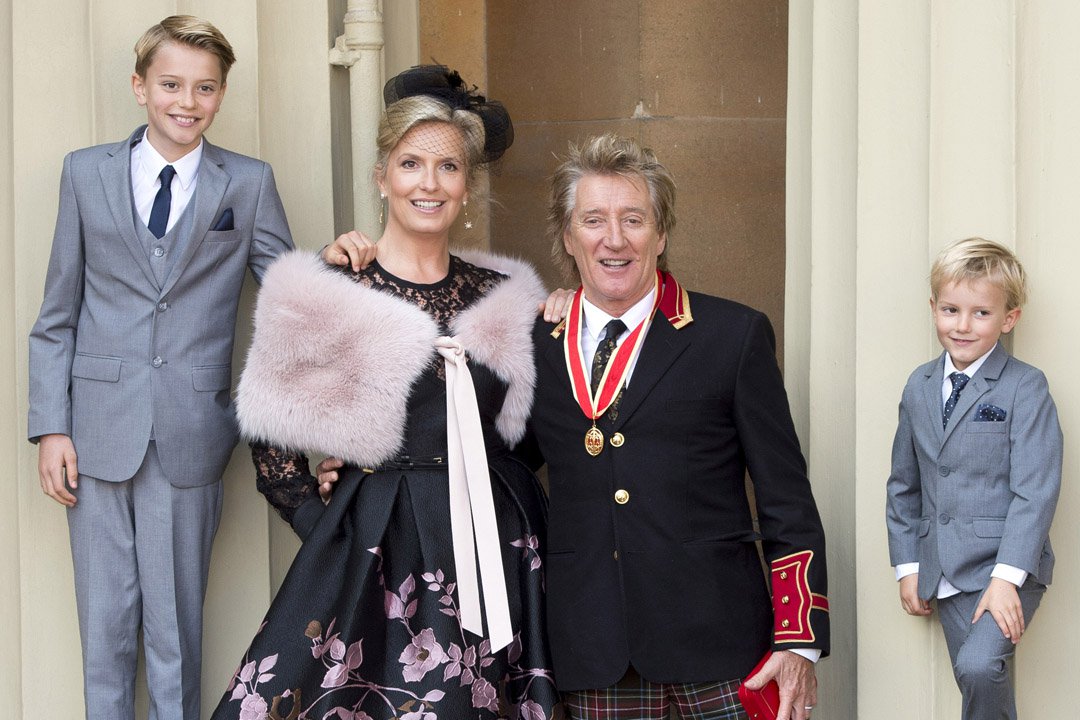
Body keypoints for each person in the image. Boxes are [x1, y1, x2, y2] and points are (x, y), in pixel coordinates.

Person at [325, 133, 830, 720]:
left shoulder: (732, 335)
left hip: (721, 647)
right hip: (592, 654)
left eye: (633, 219)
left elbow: (786, 499)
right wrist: (359, 461)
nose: (614, 239)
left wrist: (798, 639)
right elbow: (480, 454)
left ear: (661, 233)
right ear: (568, 238)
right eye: (593, 220)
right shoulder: (531, 343)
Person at [211, 65, 559, 720]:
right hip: (376, 548)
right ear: (382, 176)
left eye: (449, 168)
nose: (429, 183)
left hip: (492, 547)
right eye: (410, 163)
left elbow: (532, 432)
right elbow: (272, 440)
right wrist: (333, 532)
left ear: (466, 187)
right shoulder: (333, 283)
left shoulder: (507, 295)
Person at [26, 15, 294, 720]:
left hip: (191, 431)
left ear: (221, 93)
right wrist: (51, 428)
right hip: (94, 432)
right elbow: (58, 313)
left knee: (176, 629)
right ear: (140, 87)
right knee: (104, 631)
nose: (188, 100)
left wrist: (351, 265)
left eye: (206, 87)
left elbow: (293, 299)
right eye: (172, 84)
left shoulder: (248, 183)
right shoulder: (86, 173)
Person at [886, 237, 1061, 720]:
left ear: (1009, 318)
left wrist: (1008, 578)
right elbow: (905, 481)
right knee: (974, 676)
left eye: (981, 313)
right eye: (950, 310)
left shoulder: (1025, 385)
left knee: (980, 667)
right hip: (941, 566)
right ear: (934, 308)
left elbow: (1036, 490)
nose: (962, 325)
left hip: (1005, 564)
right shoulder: (919, 385)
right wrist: (907, 564)